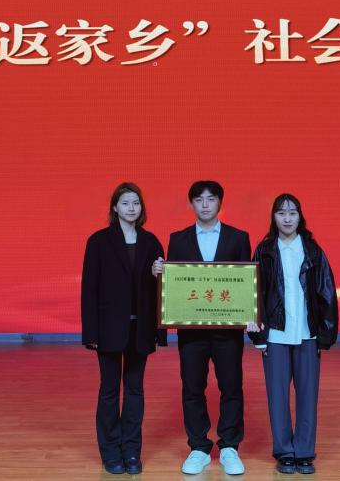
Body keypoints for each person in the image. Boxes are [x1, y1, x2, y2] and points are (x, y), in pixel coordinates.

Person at [154, 180, 252, 476]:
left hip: (228, 331)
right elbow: (175, 282)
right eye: (199, 199)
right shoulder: (178, 239)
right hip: (191, 330)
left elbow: (246, 282)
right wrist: (160, 273)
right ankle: (198, 447)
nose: (205, 204)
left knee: (231, 386)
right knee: (192, 387)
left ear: (220, 202)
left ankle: (230, 446)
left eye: (211, 198)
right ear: (191, 204)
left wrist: (249, 314)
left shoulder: (238, 237)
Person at [247, 194, 338, 475]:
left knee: (308, 395)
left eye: (292, 213)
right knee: (277, 397)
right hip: (275, 335)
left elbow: (326, 293)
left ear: (300, 217)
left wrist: (324, 335)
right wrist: (258, 336)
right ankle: (285, 451)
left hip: (307, 334)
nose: (287, 219)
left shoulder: (312, 251)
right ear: (273, 217)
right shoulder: (264, 251)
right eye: (281, 213)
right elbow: (254, 293)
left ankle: (305, 452)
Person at [81, 183, 166, 475]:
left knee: (134, 390)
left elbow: (162, 291)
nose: (132, 208)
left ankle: (131, 451)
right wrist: (90, 333)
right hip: (108, 328)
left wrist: (157, 275)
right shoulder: (98, 241)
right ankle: (110, 452)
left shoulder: (151, 242)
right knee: (109, 390)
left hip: (140, 327)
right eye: (126, 203)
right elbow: (89, 289)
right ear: (115, 207)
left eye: (136, 203)